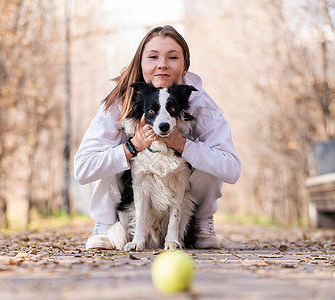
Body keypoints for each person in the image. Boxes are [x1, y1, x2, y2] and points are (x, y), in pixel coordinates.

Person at [74, 25, 241, 250]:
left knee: (209, 156)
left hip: (179, 194)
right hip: (130, 197)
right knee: (107, 155)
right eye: (153, 57)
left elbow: (231, 169)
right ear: (140, 63)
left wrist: (182, 144)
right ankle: (105, 224)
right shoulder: (119, 103)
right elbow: (83, 169)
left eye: (172, 57)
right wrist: (132, 146)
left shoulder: (201, 103)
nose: (162, 64)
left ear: (184, 66)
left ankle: (201, 221)